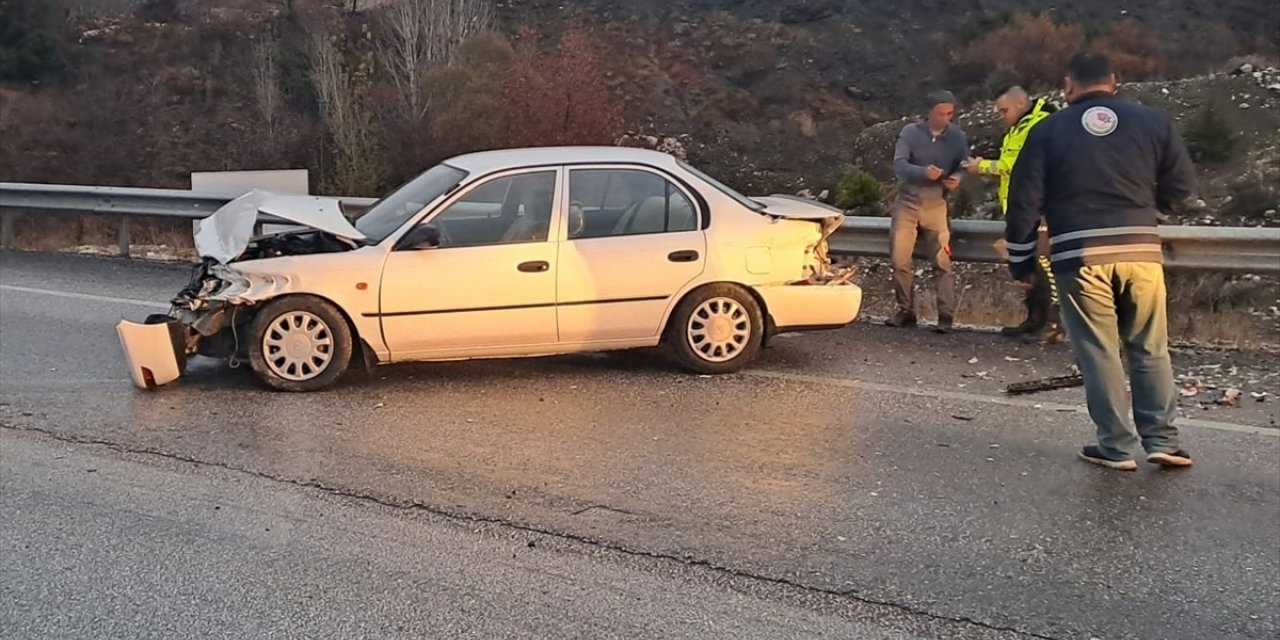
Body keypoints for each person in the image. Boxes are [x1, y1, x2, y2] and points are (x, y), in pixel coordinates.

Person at [1005, 51, 1197, 470]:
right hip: (1142, 251)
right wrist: (1152, 214)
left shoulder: (1048, 131)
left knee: (1100, 350)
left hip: (1081, 254)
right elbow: (1182, 186)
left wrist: (1022, 262)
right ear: (1114, 80)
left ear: (1068, 86)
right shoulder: (1152, 121)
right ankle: (1164, 440)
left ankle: (1116, 446)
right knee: (1150, 347)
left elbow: (1024, 202)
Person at [963, 84, 1061, 342]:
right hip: (1021, 207)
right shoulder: (1019, 127)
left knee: (1042, 265)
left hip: (1040, 207)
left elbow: (1015, 165)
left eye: (1004, 110)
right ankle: (1035, 319)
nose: (1001, 116)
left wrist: (980, 166)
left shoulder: (1038, 125)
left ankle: (1050, 325)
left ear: (1020, 103)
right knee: (1028, 265)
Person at [887, 90, 969, 333]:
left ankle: (945, 316)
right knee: (899, 260)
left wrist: (957, 177)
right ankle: (906, 311)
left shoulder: (958, 137)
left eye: (950, 114)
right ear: (929, 112)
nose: (946, 118)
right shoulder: (910, 133)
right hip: (907, 202)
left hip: (936, 204)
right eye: (941, 113)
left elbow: (964, 164)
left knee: (942, 262)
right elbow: (900, 164)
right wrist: (924, 172)